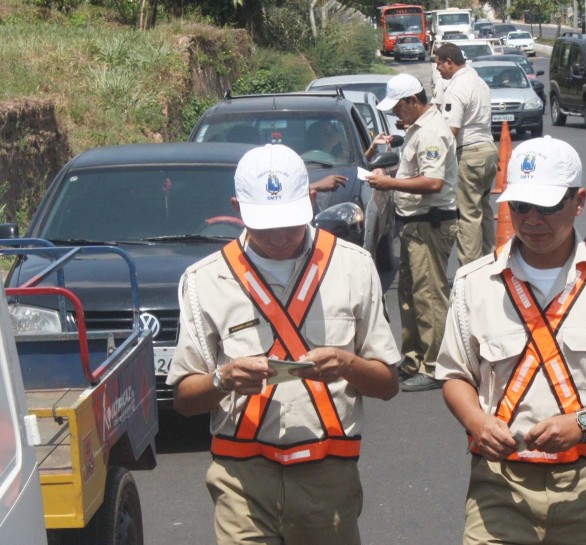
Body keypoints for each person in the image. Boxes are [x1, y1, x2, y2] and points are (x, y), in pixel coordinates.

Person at [436, 136, 586, 545]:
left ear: (578, 201)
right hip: (498, 487)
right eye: (519, 206)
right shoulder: (473, 283)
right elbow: (454, 375)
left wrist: (582, 423)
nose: (532, 219)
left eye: (547, 206)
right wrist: (477, 422)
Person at [167, 144, 401, 545]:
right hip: (241, 477)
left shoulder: (353, 266)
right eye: (264, 224)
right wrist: (223, 378)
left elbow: (387, 385)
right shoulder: (204, 279)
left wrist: (347, 365)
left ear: (311, 198)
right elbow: (185, 400)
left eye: (289, 223)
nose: (278, 237)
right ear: (236, 207)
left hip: (328, 473)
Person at [366, 73, 458, 392]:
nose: (395, 114)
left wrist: (389, 183)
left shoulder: (431, 131)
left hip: (430, 222)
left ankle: (435, 366)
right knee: (409, 294)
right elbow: (414, 172)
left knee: (429, 294)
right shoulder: (417, 130)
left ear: (413, 101)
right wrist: (391, 174)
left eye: (398, 108)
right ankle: (414, 360)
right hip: (415, 222)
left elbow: (433, 183)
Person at [436, 43, 499, 267]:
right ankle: (490, 260)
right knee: (484, 208)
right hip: (489, 151)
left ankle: (470, 271)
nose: (438, 70)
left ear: (449, 62)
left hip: (470, 152)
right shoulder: (478, 81)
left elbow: (450, 130)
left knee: (468, 214)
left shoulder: (457, 87)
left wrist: (435, 161)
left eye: (439, 65)